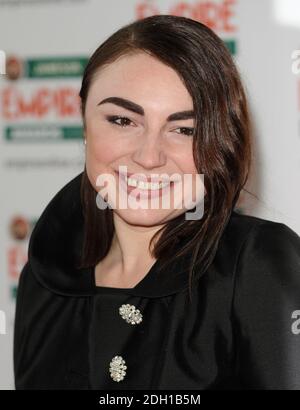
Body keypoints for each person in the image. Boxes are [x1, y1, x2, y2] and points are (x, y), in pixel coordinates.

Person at [13, 14, 300, 390]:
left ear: (219, 141)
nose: (149, 156)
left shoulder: (256, 264)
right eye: (122, 120)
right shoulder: (45, 276)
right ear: (83, 120)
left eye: (184, 129)